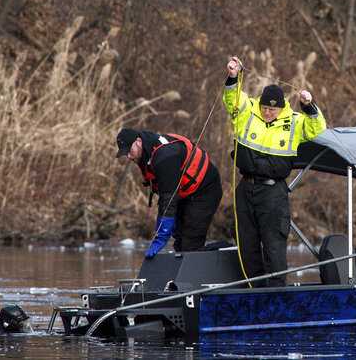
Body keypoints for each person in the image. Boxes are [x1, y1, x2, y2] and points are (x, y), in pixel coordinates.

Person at [223, 56, 327, 287]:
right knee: (246, 244)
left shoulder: (294, 121)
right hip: (246, 188)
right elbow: (232, 99)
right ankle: (254, 290)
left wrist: (309, 106)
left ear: (281, 107)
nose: (268, 112)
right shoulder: (248, 110)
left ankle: (276, 293)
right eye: (265, 107)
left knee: (273, 246)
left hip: (273, 193)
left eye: (273, 109)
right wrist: (233, 76)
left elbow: (317, 130)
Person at [115, 128, 223, 258]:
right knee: (180, 243)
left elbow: (169, 197)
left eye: (129, 151)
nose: (129, 156)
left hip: (205, 190)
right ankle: (184, 273)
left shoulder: (165, 156)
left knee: (190, 244)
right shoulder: (146, 153)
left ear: (138, 142)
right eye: (125, 154)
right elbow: (166, 193)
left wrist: (162, 234)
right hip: (185, 194)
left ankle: (224, 252)